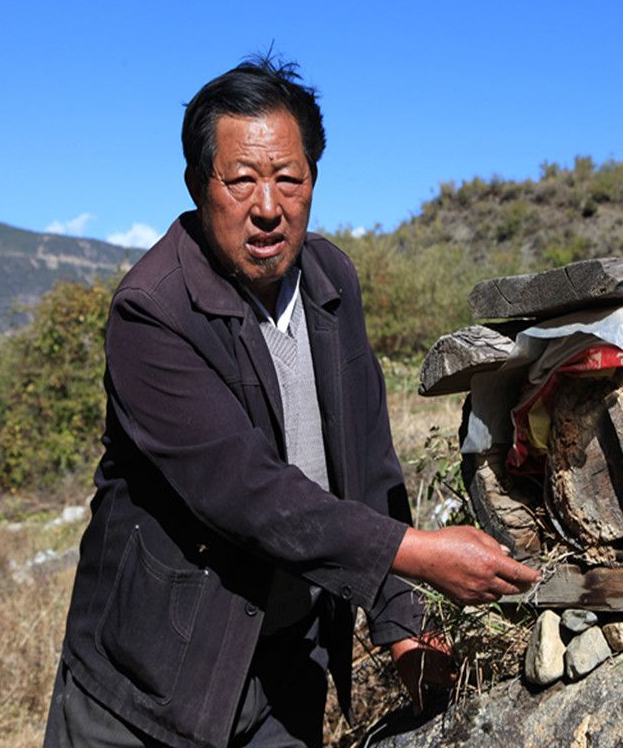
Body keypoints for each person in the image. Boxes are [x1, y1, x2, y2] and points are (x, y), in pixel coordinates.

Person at [43, 56, 541, 748]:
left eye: (288, 178)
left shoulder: (330, 279)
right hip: (150, 685)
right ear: (198, 185)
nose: (269, 208)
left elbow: (368, 462)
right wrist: (418, 555)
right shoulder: (152, 311)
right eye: (241, 179)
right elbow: (245, 492)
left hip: (286, 669)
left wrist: (402, 625)